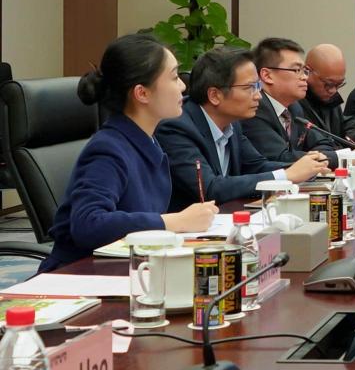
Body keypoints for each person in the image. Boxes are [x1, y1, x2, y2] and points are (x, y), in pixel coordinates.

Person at [40, 35, 217, 271]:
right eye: (174, 77)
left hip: (127, 267)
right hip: (79, 275)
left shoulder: (147, 140)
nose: (183, 86)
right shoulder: (108, 149)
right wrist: (175, 221)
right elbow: (88, 224)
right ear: (142, 93)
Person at [157, 47, 328, 209]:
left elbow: (257, 166)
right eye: (249, 88)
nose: (258, 96)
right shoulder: (176, 128)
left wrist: (307, 167)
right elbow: (210, 188)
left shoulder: (232, 123)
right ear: (215, 95)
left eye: (258, 86)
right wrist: (287, 175)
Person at [241, 37, 336, 164]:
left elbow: (323, 142)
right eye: (296, 70)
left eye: (305, 71)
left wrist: (318, 157)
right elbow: (280, 158)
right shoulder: (255, 108)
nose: (305, 77)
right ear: (267, 75)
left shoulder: (294, 108)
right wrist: (331, 158)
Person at [303, 43, 355, 146]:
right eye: (328, 84)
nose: (333, 90)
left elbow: (344, 124)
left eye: (339, 84)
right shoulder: (294, 99)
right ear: (307, 71)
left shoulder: (330, 96)